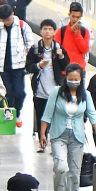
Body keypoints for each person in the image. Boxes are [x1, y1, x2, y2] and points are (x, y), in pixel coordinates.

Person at [40, 63, 96, 191]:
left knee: (74, 171)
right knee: (61, 168)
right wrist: (43, 133)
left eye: (76, 79)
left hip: (77, 137)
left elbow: (93, 115)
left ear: (81, 79)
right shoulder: (56, 92)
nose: (73, 81)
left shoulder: (86, 95)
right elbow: (47, 114)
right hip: (58, 135)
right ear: (65, 78)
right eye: (70, 78)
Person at [0, 4, 34, 124]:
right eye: (4, 20)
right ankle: (10, 116)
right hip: (2, 68)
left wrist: (27, 60)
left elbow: (30, 45)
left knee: (19, 93)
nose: (7, 22)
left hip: (18, 66)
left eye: (9, 19)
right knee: (7, 94)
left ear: (13, 14)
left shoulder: (22, 26)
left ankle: (17, 111)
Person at [25, 19, 68, 152]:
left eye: (50, 29)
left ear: (54, 32)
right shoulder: (35, 49)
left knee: (56, 118)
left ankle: (54, 143)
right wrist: (38, 65)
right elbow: (28, 67)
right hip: (40, 90)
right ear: (41, 31)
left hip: (55, 90)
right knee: (41, 117)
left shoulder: (59, 48)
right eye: (45, 29)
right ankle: (42, 142)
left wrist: (61, 57)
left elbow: (66, 65)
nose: (47, 31)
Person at [56, 2, 92, 69]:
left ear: (81, 17)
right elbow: (55, 48)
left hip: (79, 69)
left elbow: (84, 50)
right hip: (64, 69)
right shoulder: (61, 31)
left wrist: (77, 34)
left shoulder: (85, 31)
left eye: (78, 17)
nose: (75, 19)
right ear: (69, 15)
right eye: (73, 16)